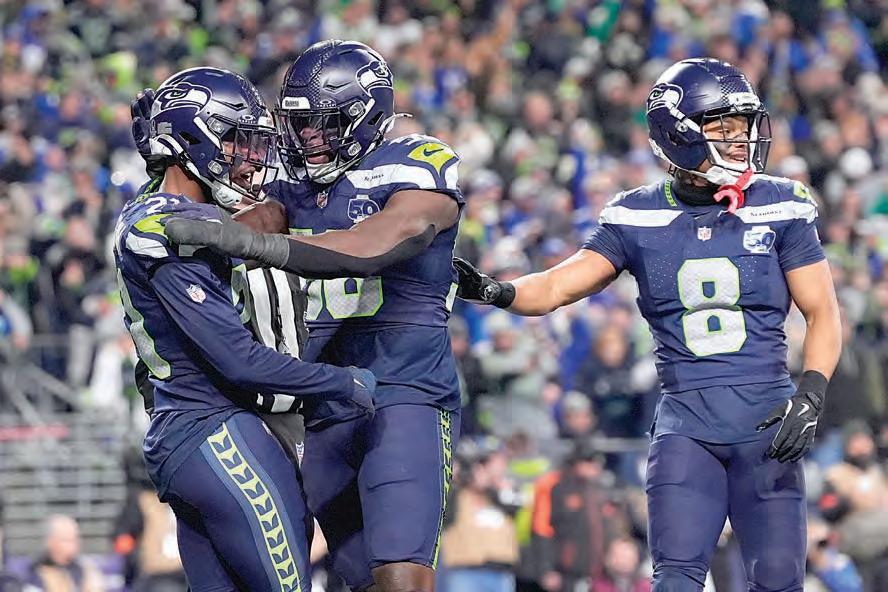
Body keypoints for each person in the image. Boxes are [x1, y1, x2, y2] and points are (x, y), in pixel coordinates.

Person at [453, 58, 842, 591]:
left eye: (743, 126)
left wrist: (812, 392)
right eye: (723, 128)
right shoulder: (636, 215)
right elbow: (559, 285)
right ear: (680, 135)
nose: (741, 140)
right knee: (675, 581)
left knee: (778, 580)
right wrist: (495, 290)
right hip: (688, 428)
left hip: (768, 425)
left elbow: (822, 310)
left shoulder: (781, 204)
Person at [156, 41, 464, 592]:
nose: (309, 139)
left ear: (366, 114)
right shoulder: (290, 184)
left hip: (405, 393)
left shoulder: (417, 164)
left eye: (325, 124)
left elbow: (377, 243)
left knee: (401, 577)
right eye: (300, 124)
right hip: (325, 407)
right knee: (356, 581)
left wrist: (259, 244)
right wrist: (164, 153)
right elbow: (241, 220)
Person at [114, 66, 375, 592]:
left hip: (181, 438)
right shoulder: (171, 227)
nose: (251, 157)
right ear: (194, 137)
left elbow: (233, 223)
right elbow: (240, 361)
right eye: (236, 140)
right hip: (217, 432)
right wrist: (344, 382)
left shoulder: (159, 210)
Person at [25, 515, 104, 592]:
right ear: (51, 541)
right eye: (67, 540)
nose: (75, 543)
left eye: (76, 538)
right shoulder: (35, 572)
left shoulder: (83, 567)